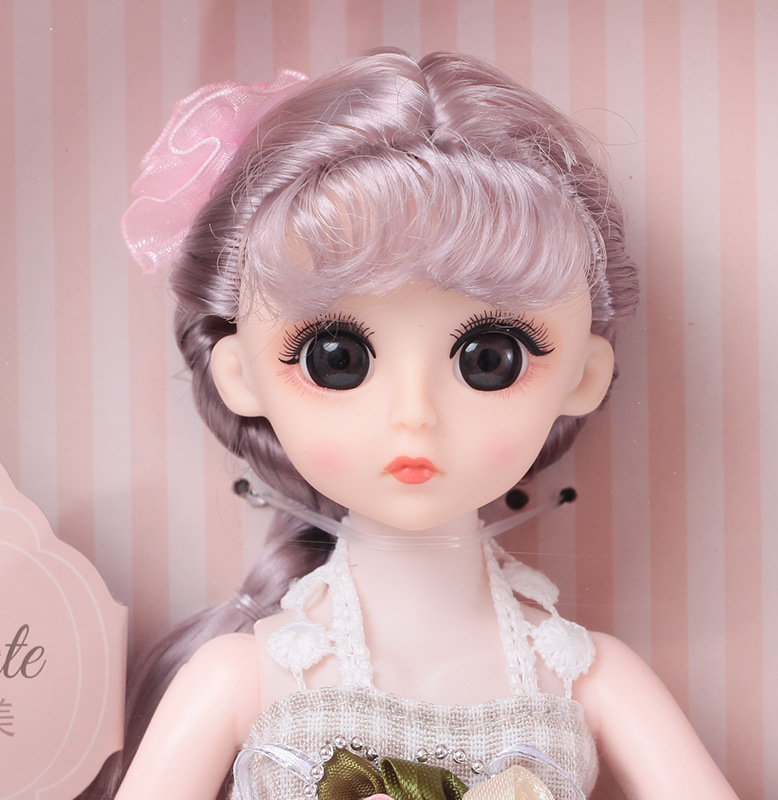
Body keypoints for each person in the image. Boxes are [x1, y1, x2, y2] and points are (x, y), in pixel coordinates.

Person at [107, 50, 737, 800]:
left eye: (489, 359)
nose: (416, 414)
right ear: (240, 375)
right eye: (337, 359)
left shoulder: (591, 683)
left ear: (583, 376)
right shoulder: (243, 678)